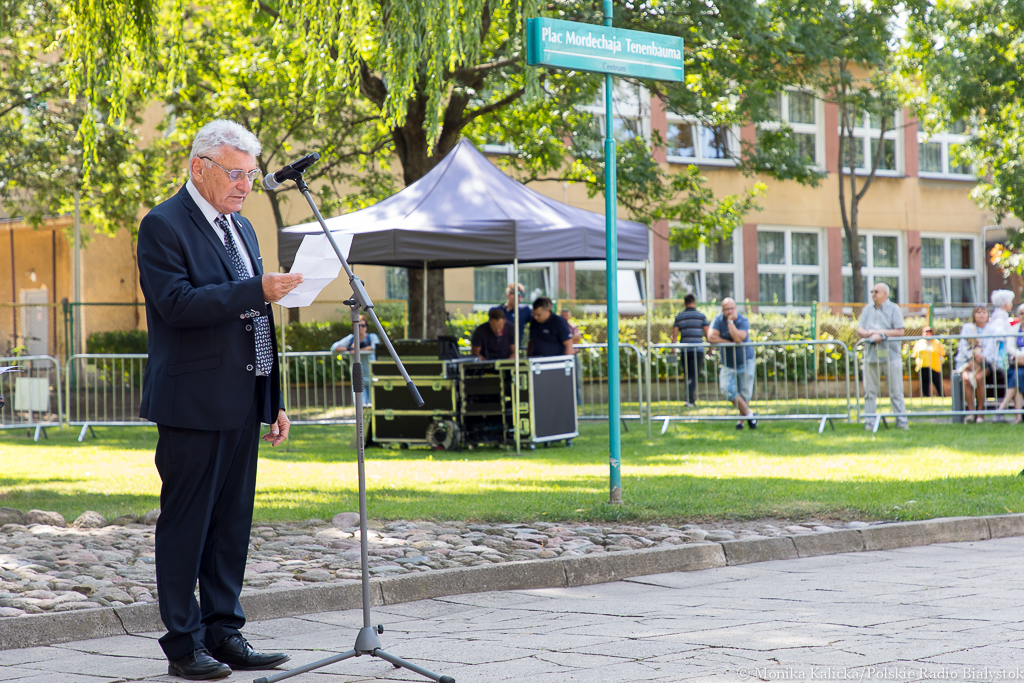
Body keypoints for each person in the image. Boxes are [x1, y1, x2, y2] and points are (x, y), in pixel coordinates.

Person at [137, 120, 302, 680]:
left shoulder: (244, 228)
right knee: (188, 526)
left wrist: (271, 396)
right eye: (235, 174)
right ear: (199, 167)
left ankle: (224, 632)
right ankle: (184, 644)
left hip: (243, 399)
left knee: (232, 525)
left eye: (250, 175)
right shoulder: (164, 225)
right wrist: (258, 288)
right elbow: (177, 304)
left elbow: (256, 321)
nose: (245, 186)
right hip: (193, 401)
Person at [856, 282, 908, 430]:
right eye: (872, 291)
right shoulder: (867, 309)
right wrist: (869, 334)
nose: (873, 294)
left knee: (896, 392)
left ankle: (902, 422)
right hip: (871, 356)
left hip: (891, 355)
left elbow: (900, 331)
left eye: (876, 292)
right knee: (869, 392)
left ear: (885, 294)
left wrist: (882, 334)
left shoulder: (894, 309)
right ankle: (869, 423)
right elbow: (860, 328)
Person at [707, 298, 756, 430]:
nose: (730, 312)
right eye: (727, 309)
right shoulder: (718, 320)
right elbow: (711, 337)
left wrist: (730, 322)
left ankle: (741, 422)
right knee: (726, 390)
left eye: (732, 309)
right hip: (728, 364)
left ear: (736, 308)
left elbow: (738, 338)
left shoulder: (742, 320)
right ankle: (750, 415)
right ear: (722, 310)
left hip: (745, 361)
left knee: (744, 394)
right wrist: (729, 343)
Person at [955, 305, 994, 422]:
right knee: (966, 379)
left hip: (984, 362)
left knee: (978, 378)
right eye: (978, 312)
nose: (981, 315)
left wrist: (980, 357)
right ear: (974, 315)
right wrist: (971, 357)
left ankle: (980, 413)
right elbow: (963, 345)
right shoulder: (967, 328)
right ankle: (971, 413)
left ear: (987, 315)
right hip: (967, 362)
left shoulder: (991, 329)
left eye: (984, 312)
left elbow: (991, 346)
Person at [331, 315, 380, 406]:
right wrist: (349, 349)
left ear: (366, 327)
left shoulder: (371, 337)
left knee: (374, 405)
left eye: (363, 325)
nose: (360, 328)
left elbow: (375, 347)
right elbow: (334, 348)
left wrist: (358, 350)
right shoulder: (351, 339)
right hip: (358, 378)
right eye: (358, 325)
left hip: (372, 377)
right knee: (360, 406)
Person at [671, 293, 710, 407]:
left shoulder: (679, 317)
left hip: (685, 350)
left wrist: (672, 350)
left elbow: (674, 336)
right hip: (697, 350)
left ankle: (689, 399)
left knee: (688, 374)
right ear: (694, 302)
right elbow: (707, 334)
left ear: (684, 303)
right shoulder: (701, 316)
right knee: (694, 374)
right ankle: (690, 399)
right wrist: (711, 348)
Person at [911, 326, 945, 398]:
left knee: (937, 382)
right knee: (925, 382)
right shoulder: (919, 342)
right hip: (923, 365)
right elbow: (915, 353)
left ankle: (942, 396)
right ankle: (926, 396)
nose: (926, 334)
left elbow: (942, 353)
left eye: (928, 332)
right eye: (925, 332)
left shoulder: (936, 342)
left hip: (934, 366)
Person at [561, 309, 584, 405]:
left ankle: (578, 401)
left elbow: (577, 338)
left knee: (576, 378)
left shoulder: (573, 327)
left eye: (566, 315)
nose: (565, 317)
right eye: (563, 315)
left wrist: (566, 339)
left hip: (573, 355)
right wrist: (570, 338)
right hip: (562, 356)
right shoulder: (559, 327)